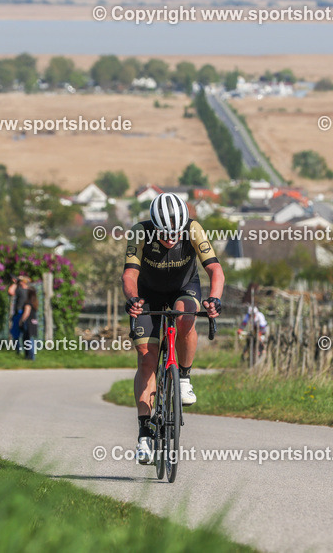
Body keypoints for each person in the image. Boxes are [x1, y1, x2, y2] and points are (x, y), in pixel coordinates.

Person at [123, 192, 223, 465]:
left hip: (184, 288)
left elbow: (215, 270)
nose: (171, 239)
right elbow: (130, 274)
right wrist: (132, 299)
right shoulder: (140, 233)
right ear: (155, 226)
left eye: (175, 234)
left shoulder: (193, 229)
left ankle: (184, 378)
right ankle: (144, 433)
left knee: (185, 316)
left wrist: (214, 298)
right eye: (165, 234)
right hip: (148, 294)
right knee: (146, 358)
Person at [7, 275, 31, 353]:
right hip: (28, 313)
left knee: (15, 332)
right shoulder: (30, 290)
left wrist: (16, 283)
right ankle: (28, 353)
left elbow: (10, 291)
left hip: (20, 313)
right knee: (26, 334)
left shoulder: (21, 290)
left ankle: (18, 351)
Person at [20, 286, 40, 361]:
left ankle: (30, 356)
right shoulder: (35, 301)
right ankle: (30, 356)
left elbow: (26, 313)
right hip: (34, 321)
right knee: (30, 339)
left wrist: (21, 320)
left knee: (27, 339)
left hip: (28, 322)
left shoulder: (28, 302)